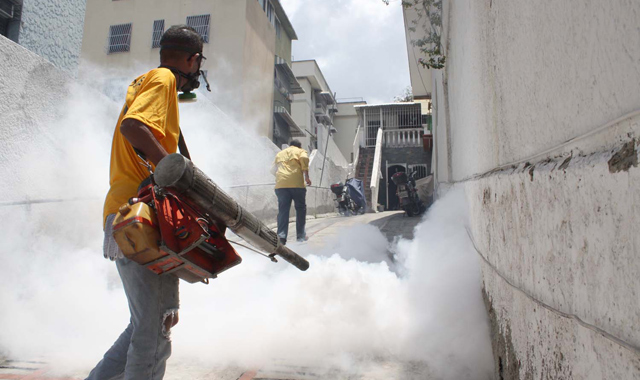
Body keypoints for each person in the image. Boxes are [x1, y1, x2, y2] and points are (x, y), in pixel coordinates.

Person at [86, 25, 207, 380]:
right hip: (140, 219)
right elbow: (134, 127)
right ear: (193, 59)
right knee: (154, 330)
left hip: (127, 214)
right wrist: (173, 168)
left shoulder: (147, 82)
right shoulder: (163, 80)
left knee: (148, 323)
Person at [273, 140, 311, 245]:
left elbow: (273, 170)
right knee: (300, 209)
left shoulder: (280, 154)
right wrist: (307, 177)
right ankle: (301, 236)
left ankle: (281, 237)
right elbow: (304, 158)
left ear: (290, 145)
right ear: (299, 146)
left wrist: (281, 178)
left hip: (281, 185)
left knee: (283, 211)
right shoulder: (300, 151)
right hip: (296, 184)